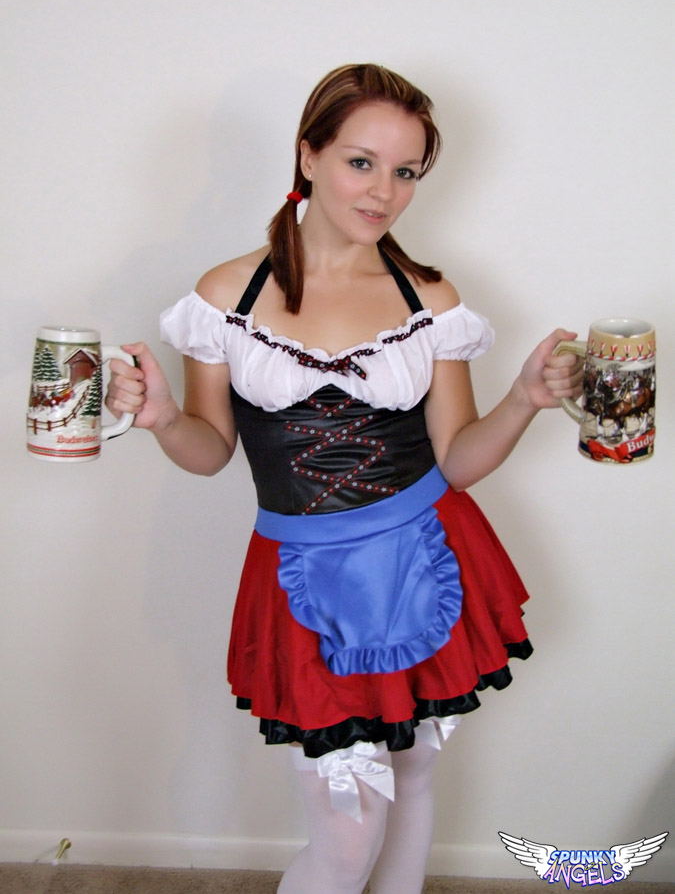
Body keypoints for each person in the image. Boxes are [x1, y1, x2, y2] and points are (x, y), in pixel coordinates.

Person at [106, 64, 581, 894]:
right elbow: (208, 451)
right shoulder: (225, 296)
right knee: (345, 826)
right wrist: (159, 418)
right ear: (308, 155)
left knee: (414, 770)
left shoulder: (428, 298)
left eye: (405, 172)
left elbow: (458, 461)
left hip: (426, 553)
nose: (384, 192)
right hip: (305, 576)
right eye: (361, 162)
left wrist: (523, 399)